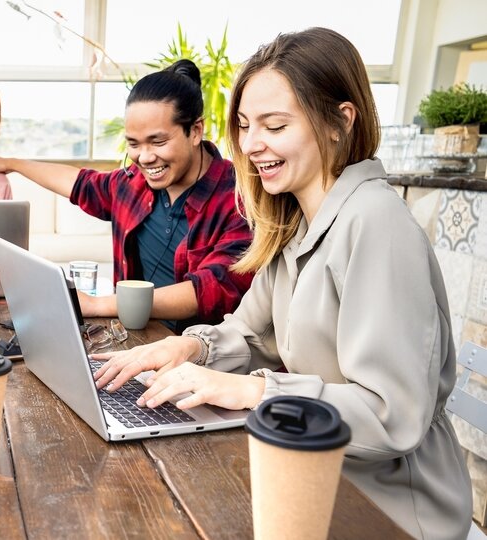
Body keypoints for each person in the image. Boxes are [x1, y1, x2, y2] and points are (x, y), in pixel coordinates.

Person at [92, 27, 471, 539]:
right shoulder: (294, 223)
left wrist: (253, 390)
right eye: (246, 126)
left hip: (388, 507)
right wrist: (187, 349)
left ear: (340, 121)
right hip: (309, 472)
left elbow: (390, 416)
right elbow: (248, 334)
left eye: (274, 126)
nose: (250, 146)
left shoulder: (376, 223)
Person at [0, 60, 253, 331]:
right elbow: (81, 184)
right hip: (133, 337)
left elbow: (213, 288)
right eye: (134, 144)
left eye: (158, 141)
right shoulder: (133, 183)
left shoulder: (240, 199)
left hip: (199, 353)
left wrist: (98, 305)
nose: (144, 157)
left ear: (195, 131)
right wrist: (12, 164)